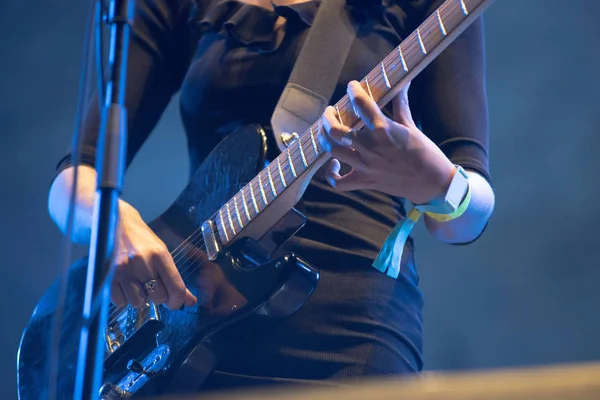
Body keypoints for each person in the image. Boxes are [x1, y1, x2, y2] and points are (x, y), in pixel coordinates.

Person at [48, 0, 495, 392]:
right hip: (194, 325)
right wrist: (112, 223)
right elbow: (74, 174)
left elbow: (467, 216)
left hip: (351, 328)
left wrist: (438, 185)